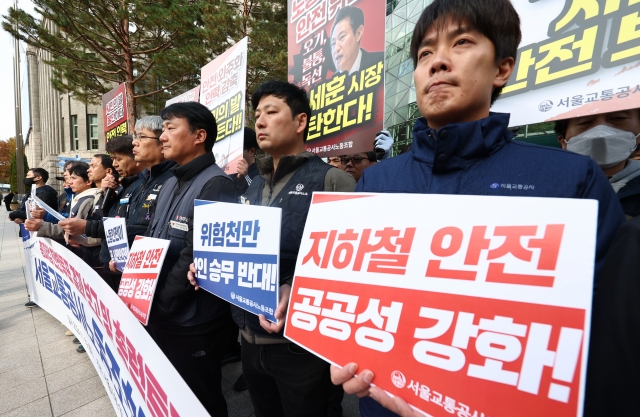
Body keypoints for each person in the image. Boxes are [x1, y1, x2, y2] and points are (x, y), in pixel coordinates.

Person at [329, 0, 626, 415]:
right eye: (425, 53)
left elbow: (613, 338)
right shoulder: (377, 181)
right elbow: (349, 301)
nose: (437, 63)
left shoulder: (570, 180)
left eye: (462, 42)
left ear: (502, 68)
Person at [188, 80, 355, 417]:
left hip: (303, 349)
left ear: (300, 121)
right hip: (249, 342)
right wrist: (207, 264)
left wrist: (295, 287)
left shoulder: (332, 181)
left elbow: (351, 270)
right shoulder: (250, 189)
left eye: (271, 112)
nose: (260, 122)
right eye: (257, 114)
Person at [145, 102, 240, 416]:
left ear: (199, 135)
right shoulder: (171, 181)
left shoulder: (216, 185)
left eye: (172, 128)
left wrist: (160, 306)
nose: (163, 136)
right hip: (162, 311)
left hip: (191, 320)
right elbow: (155, 237)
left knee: (201, 400)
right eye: (163, 128)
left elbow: (194, 255)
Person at [556, 109, 640, 218]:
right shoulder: (542, 187)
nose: (601, 133)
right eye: (584, 122)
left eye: (618, 118)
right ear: (563, 141)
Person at [331, 6, 384, 74]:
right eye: (333, 43)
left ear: (358, 34)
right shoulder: (330, 82)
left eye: (342, 37)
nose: (336, 49)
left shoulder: (381, 60)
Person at [232, 127, 260, 194]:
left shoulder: (260, 175)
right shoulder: (229, 171)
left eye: (238, 150)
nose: (233, 154)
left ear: (252, 151)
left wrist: (243, 178)